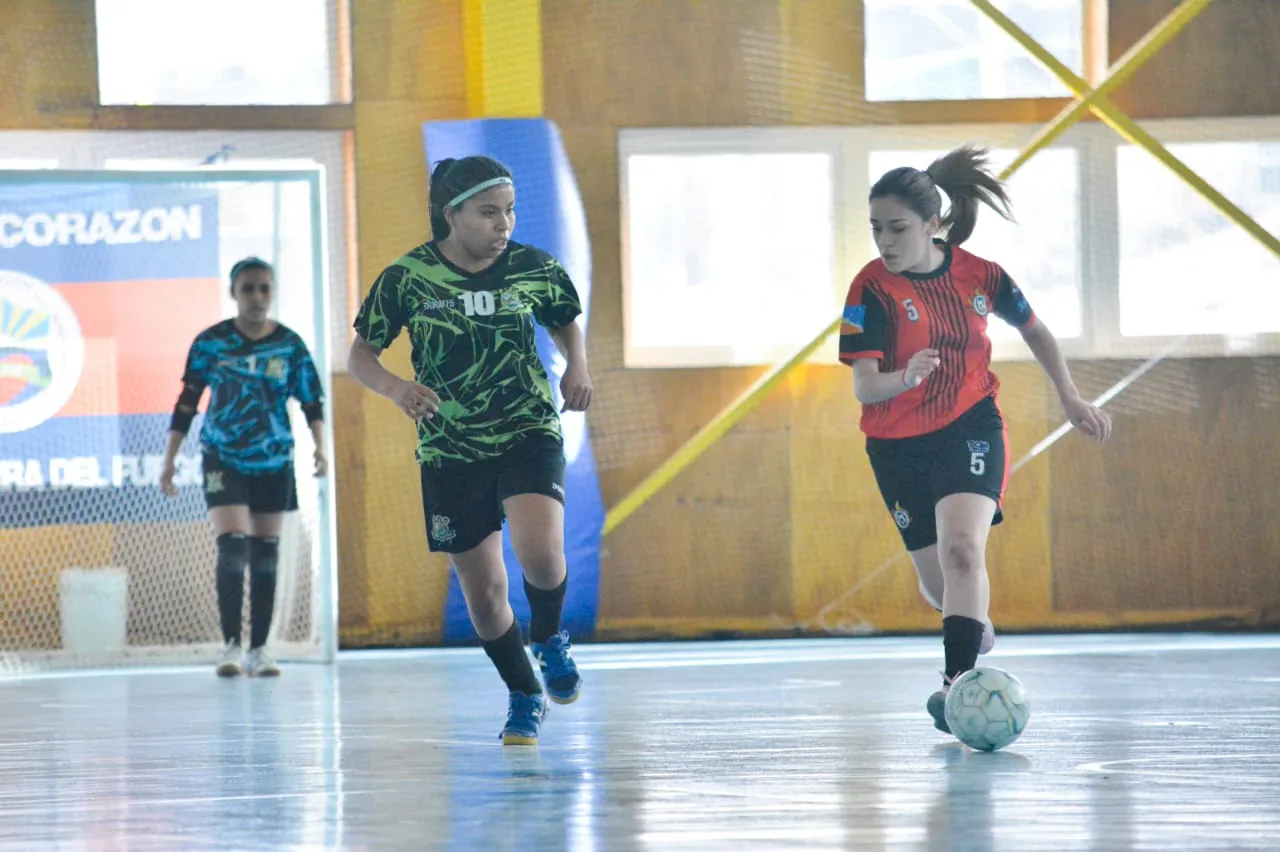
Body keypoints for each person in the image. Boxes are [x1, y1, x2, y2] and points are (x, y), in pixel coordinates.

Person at [838, 145, 1112, 735]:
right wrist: (905, 377)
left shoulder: (981, 275)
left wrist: (1070, 396)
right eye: (876, 228)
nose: (885, 241)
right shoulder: (870, 289)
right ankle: (970, 624)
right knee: (939, 585)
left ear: (932, 223)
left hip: (970, 426)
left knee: (963, 550)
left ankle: (954, 687)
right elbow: (864, 386)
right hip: (896, 446)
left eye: (898, 228)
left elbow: (1035, 329)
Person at [347, 155, 592, 746]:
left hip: (527, 427)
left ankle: (549, 636)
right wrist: (397, 389)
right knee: (484, 596)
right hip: (450, 446)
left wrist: (576, 366)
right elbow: (361, 355)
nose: (502, 223)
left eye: (509, 211)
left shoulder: (534, 266)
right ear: (450, 214)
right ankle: (524, 693)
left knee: (541, 554)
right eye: (487, 212)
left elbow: (564, 320)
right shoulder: (407, 277)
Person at [160, 257, 327, 679]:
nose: (257, 297)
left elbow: (312, 402)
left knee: (265, 555)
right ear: (233, 293)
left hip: (274, 459)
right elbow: (186, 403)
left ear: (274, 292)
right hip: (223, 456)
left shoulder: (289, 345)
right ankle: (232, 646)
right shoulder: (211, 343)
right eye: (248, 288)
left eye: (264, 288)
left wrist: (320, 448)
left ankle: (260, 650)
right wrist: (169, 460)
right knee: (233, 547)